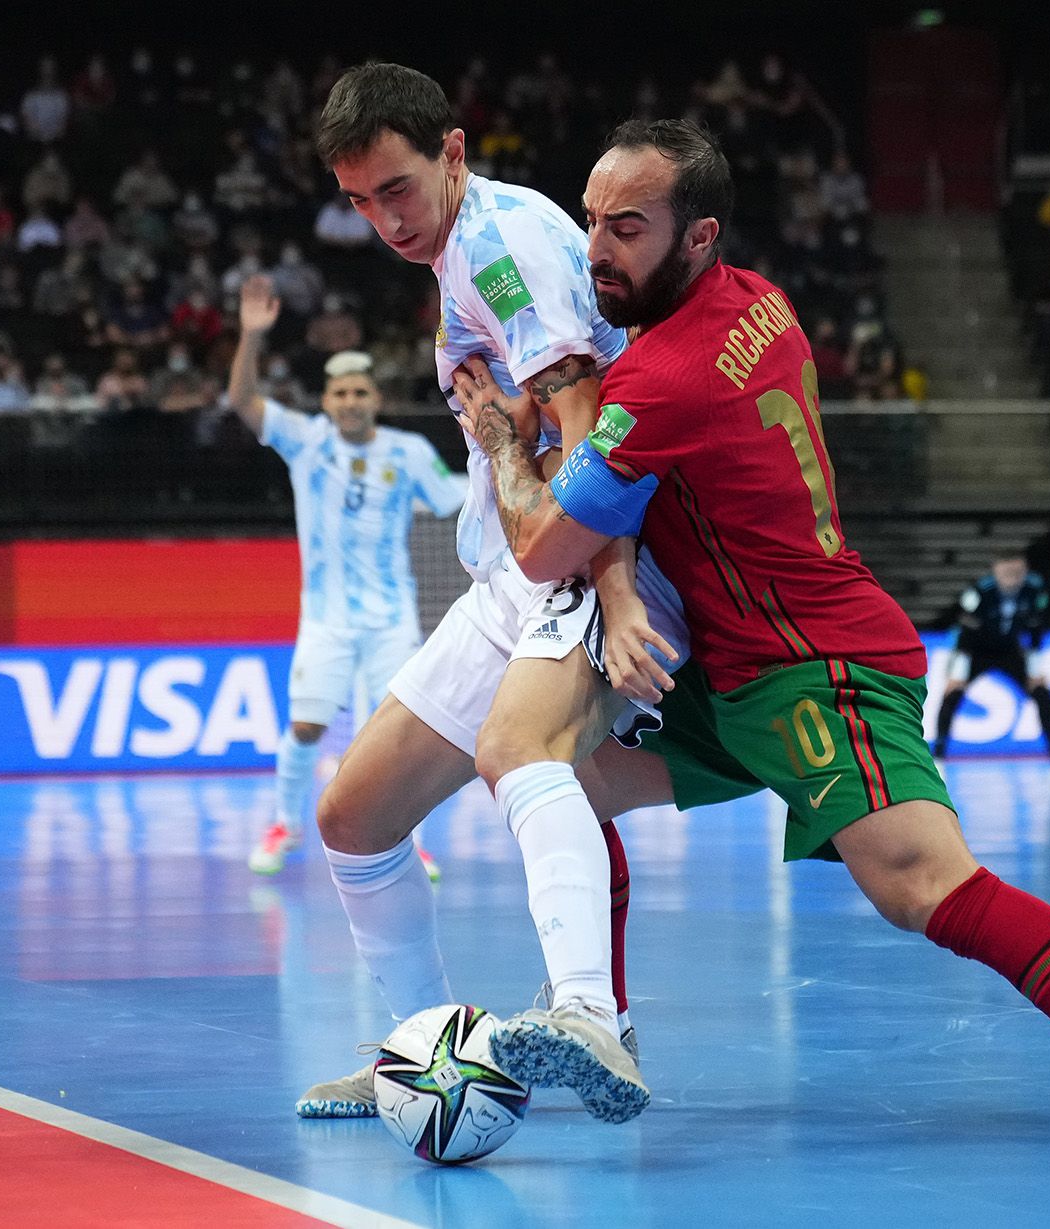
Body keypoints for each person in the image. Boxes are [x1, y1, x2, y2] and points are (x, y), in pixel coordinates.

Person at [458, 118, 1050, 1151]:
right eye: (593, 222)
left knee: (921, 882)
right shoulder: (759, 302)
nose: (596, 249)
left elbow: (547, 546)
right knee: (557, 774)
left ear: (697, 235)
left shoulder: (664, 378)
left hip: (816, 668)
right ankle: (601, 1023)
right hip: (729, 673)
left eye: (627, 229)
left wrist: (503, 448)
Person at [299, 63, 694, 1126]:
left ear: (454, 153)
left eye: (397, 189)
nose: (385, 220)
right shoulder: (463, 247)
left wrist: (613, 589)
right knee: (352, 814)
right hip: (515, 568)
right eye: (360, 202)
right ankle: (422, 1053)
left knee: (520, 752)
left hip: (588, 551)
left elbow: (590, 426)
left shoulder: (501, 248)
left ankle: (590, 1017)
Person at [224, 274, 464, 886]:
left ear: (374, 398)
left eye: (361, 392)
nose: (351, 401)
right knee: (306, 725)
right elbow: (243, 404)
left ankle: (404, 838)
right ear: (327, 401)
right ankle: (284, 824)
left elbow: (455, 496)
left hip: (391, 619)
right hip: (326, 619)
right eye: (341, 394)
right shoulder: (306, 444)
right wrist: (252, 338)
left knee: (394, 736)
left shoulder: (409, 452)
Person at [930, 550, 1050, 787]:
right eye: (1007, 572)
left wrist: (1034, 669)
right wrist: (957, 673)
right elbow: (965, 631)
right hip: (976, 651)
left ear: (1025, 571)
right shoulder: (980, 592)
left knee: (1043, 694)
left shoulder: (1034, 590)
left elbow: (1035, 628)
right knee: (952, 696)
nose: (1013, 577)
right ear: (996, 570)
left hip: (1010, 651)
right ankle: (937, 761)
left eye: (1018, 572)